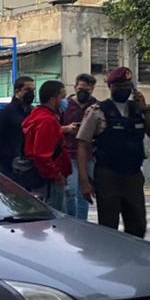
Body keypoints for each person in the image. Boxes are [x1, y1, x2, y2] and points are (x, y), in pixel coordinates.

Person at [76, 67, 150, 237]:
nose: (124, 89)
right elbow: (82, 145)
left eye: (127, 86)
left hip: (133, 176)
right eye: (119, 86)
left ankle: (134, 262)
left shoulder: (138, 110)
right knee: (109, 229)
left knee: (138, 226)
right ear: (111, 87)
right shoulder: (97, 111)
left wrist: (145, 110)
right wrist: (84, 181)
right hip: (108, 175)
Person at [22, 80, 72, 211]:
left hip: (46, 178)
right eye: (62, 97)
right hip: (50, 182)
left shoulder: (39, 115)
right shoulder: (47, 121)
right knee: (55, 217)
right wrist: (56, 175)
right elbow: (42, 155)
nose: (65, 101)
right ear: (52, 100)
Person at [60, 73, 98, 220]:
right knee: (69, 190)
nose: (83, 92)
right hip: (69, 154)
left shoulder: (96, 106)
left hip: (90, 156)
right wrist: (67, 128)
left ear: (92, 90)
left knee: (85, 192)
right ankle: (71, 220)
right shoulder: (65, 105)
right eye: (80, 88)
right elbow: (54, 127)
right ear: (75, 87)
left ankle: (82, 222)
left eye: (87, 90)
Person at [0, 76, 35, 176]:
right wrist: (10, 161)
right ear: (17, 91)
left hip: (28, 167)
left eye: (33, 90)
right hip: (9, 169)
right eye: (27, 90)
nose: (31, 93)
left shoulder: (32, 112)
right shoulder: (4, 113)